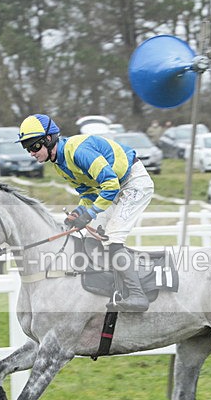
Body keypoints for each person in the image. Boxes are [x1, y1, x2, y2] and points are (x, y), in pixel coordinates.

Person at [18, 113, 154, 312]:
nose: (31, 152)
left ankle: (137, 295)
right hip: (114, 189)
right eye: (27, 147)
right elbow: (88, 193)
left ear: (49, 139)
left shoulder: (78, 151)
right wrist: (79, 211)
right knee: (92, 236)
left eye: (34, 146)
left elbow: (110, 184)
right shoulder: (59, 164)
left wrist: (89, 215)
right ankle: (107, 287)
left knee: (113, 238)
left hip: (133, 183)